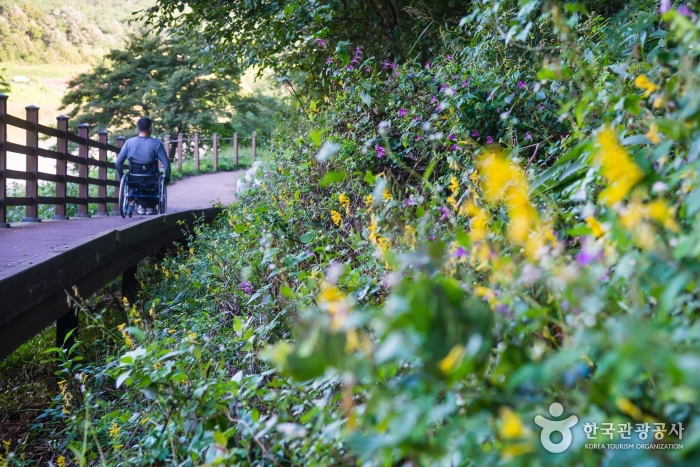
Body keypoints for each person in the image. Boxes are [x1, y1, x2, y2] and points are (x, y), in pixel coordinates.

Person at [116, 117, 171, 215]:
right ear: (150, 128)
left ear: (138, 129)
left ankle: (141, 206)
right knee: (156, 181)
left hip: (134, 176)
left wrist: (121, 176)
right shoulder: (157, 144)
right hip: (152, 178)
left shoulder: (129, 143)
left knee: (135, 184)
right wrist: (167, 178)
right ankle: (151, 207)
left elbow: (118, 162)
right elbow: (166, 164)